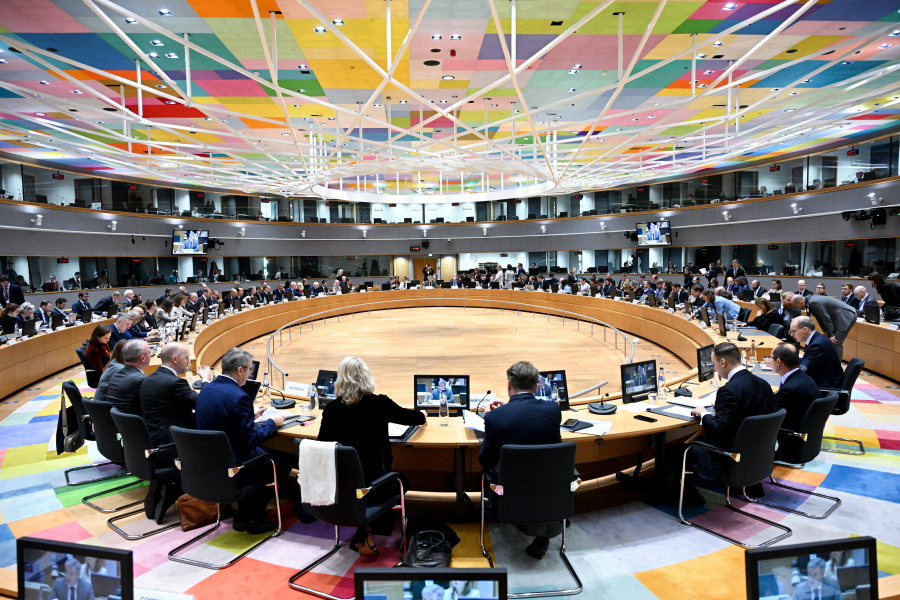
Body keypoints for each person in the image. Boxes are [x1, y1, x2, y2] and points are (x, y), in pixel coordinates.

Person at [317, 356, 427, 554]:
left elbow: (321, 446)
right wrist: (423, 415)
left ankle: (364, 531)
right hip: (372, 489)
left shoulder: (331, 409)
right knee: (401, 482)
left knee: (369, 483)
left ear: (340, 380)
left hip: (341, 488)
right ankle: (368, 529)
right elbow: (414, 418)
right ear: (367, 378)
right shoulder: (379, 403)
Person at [196, 348, 302, 533]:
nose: (250, 374)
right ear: (240, 370)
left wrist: (248, 416)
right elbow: (252, 440)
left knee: (271, 455)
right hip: (235, 464)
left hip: (210, 462)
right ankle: (249, 516)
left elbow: (222, 419)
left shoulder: (207, 389)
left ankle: (246, 511)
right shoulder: (239, 397)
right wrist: (272, 422)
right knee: (283, 461)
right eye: (249, 370)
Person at [666, 343, 775, 505]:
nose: (715, 369)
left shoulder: (728, 390)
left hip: (730, 455)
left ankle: (689, 496)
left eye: (714, 364)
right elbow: (750, 410)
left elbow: (719, 430)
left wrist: (704, 414)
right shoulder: (763, 384)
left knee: (673, 451)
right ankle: (750, 484)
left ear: (723, 362)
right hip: (757, 454)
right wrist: (723, 408)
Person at [479, 361, 563, 559]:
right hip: (550, 491)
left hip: (508, 494)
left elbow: (486, 461)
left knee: (484, 477)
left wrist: (495, 418)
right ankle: (544, 530)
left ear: (509, 385)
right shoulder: (553, 410)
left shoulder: (495, 417)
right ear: (535, 386)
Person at [768, 343, 820, 434]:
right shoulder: (805, 378)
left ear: (779, 362)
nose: (769, 360)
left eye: (770, 358)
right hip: (809, 430)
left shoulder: (789, 389)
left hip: (790, 435)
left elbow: (774, 420)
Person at [792, 293, 856, 360]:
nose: (797, 308)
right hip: (838, 317)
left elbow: (825, 318)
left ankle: (836, 365)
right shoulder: (809, 300)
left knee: (835, 342)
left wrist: (831, 335)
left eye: (796, 306)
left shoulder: (813, 303)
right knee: (828, 340)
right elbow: (820, 318)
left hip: (846, 316)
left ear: (801, 302)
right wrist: (825, 331)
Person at [789, 316, 844, 389]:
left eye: (793, 331)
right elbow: (805, 360)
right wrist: (787, 359)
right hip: (822, 379)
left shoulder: (818, 345)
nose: (792, 334)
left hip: (826, 386)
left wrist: (784, 367)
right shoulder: (817, 338)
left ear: (805, 330)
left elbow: (804, 369)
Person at [105, 339, 151, 415]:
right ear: (143, 358)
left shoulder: (116, 375)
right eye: (149, 353)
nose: (151, 355)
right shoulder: (142, 380)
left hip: (115, 420)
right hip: (134, 421)